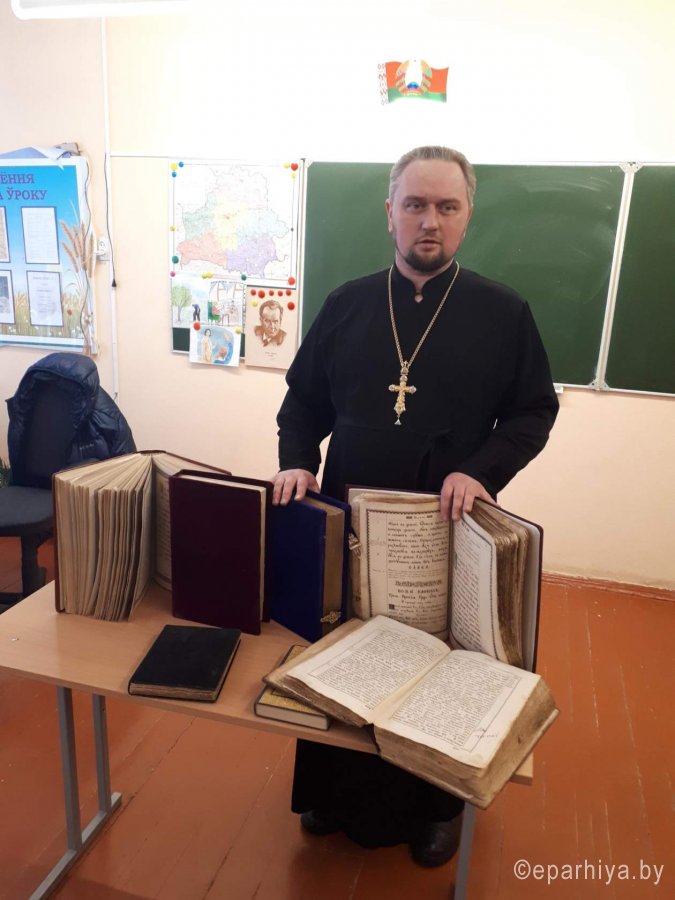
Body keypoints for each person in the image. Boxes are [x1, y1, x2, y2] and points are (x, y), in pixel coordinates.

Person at [271, 146, 559, 866]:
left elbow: (533, 411)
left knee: (435, 669)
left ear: (466, 216)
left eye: (446, 206)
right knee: (342, 655)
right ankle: (331, 793)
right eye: (415, 204)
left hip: (445, 524)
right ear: (390, 212)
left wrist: (480, 471)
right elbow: (302, 402)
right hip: (348, 515)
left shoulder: (502, 312)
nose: (429, 221)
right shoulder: (346, 304)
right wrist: (297, 461)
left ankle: (435, 808)